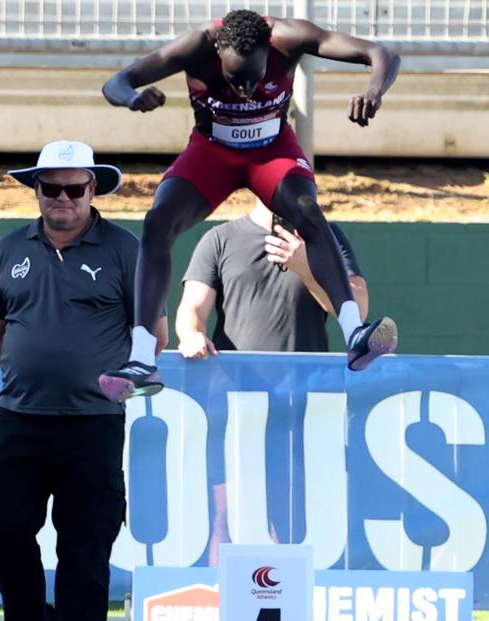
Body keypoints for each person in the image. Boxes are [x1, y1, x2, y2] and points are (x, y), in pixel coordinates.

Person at [97, 8, 400, 401]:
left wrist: (373, 90)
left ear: (270, 51)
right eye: (235, 79)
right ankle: (140, 359)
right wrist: (133, 99)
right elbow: (116, 83)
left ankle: (354, 333)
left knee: (308, 210)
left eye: (255, 79)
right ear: (217, 51)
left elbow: (382, 53)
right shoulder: (197, 45)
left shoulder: (289, 36)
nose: (245, 90)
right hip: (213, 152)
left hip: (271, 150)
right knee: (158, 221)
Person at [0, 140, 167, 621]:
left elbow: (153, 329)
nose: (61, 198)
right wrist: (33, 371)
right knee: (3, 530)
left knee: (86, 545)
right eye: (50, 187)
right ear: (35, 190)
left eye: (73, 188)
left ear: (93, 190)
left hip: (93, 422)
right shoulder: (8, 248)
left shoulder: (125, 249)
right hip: (19, 417)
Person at [177, 198, 368, 357]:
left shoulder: (328, 237)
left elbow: (359, 309)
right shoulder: (219, 239)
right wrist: (192, 335)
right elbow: (193, 308)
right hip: (236, 388)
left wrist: (307, 270)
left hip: (307, 387)